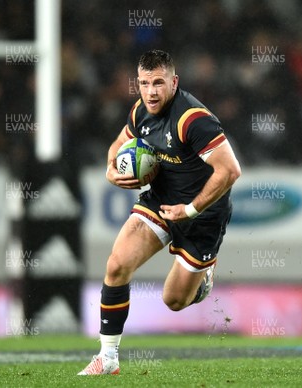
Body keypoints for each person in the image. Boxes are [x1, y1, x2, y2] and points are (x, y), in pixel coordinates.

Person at [78, 50, 241, 375]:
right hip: (160, 200)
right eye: (143, 83)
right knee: (116, 264)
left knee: (174, 300)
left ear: (174, 82)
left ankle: (202, 278)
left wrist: (192, 208)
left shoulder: (192, 119)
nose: (150, 91)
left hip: (202, 215)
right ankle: (108, 358)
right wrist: (110, 170)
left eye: (158, 83)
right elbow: (117, 145)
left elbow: (230, 171)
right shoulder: (141, 111)